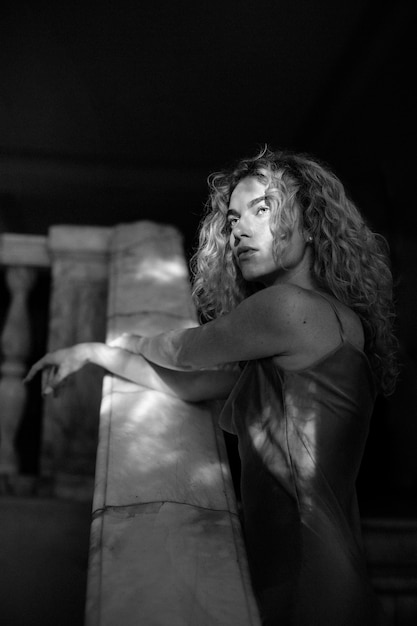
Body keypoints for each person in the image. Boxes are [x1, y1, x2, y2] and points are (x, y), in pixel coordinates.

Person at [25, 147, 398, 625]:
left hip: (305, 578)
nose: (239, 229)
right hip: (324, 571)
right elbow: (195, 385)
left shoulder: (288, 309)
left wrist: (128, 338)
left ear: (310, 224)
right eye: (233, 217)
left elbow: (185, 350)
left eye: (262, 209)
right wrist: (95, 355)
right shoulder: (324, 328)